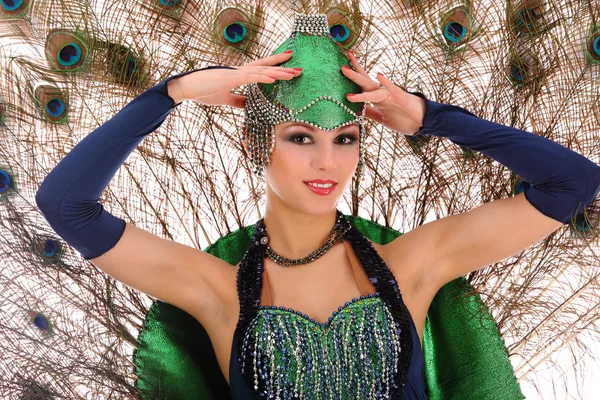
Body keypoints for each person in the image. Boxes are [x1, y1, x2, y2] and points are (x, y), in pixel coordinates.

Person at [35, 12, 600, 400]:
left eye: (346, 139)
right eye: (301, 138)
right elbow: (66, 204)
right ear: (259, 142)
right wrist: (171, 93)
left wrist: (432, 117)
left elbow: (571, 183)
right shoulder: (216, 291)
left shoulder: (413, 264)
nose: (327, 163)